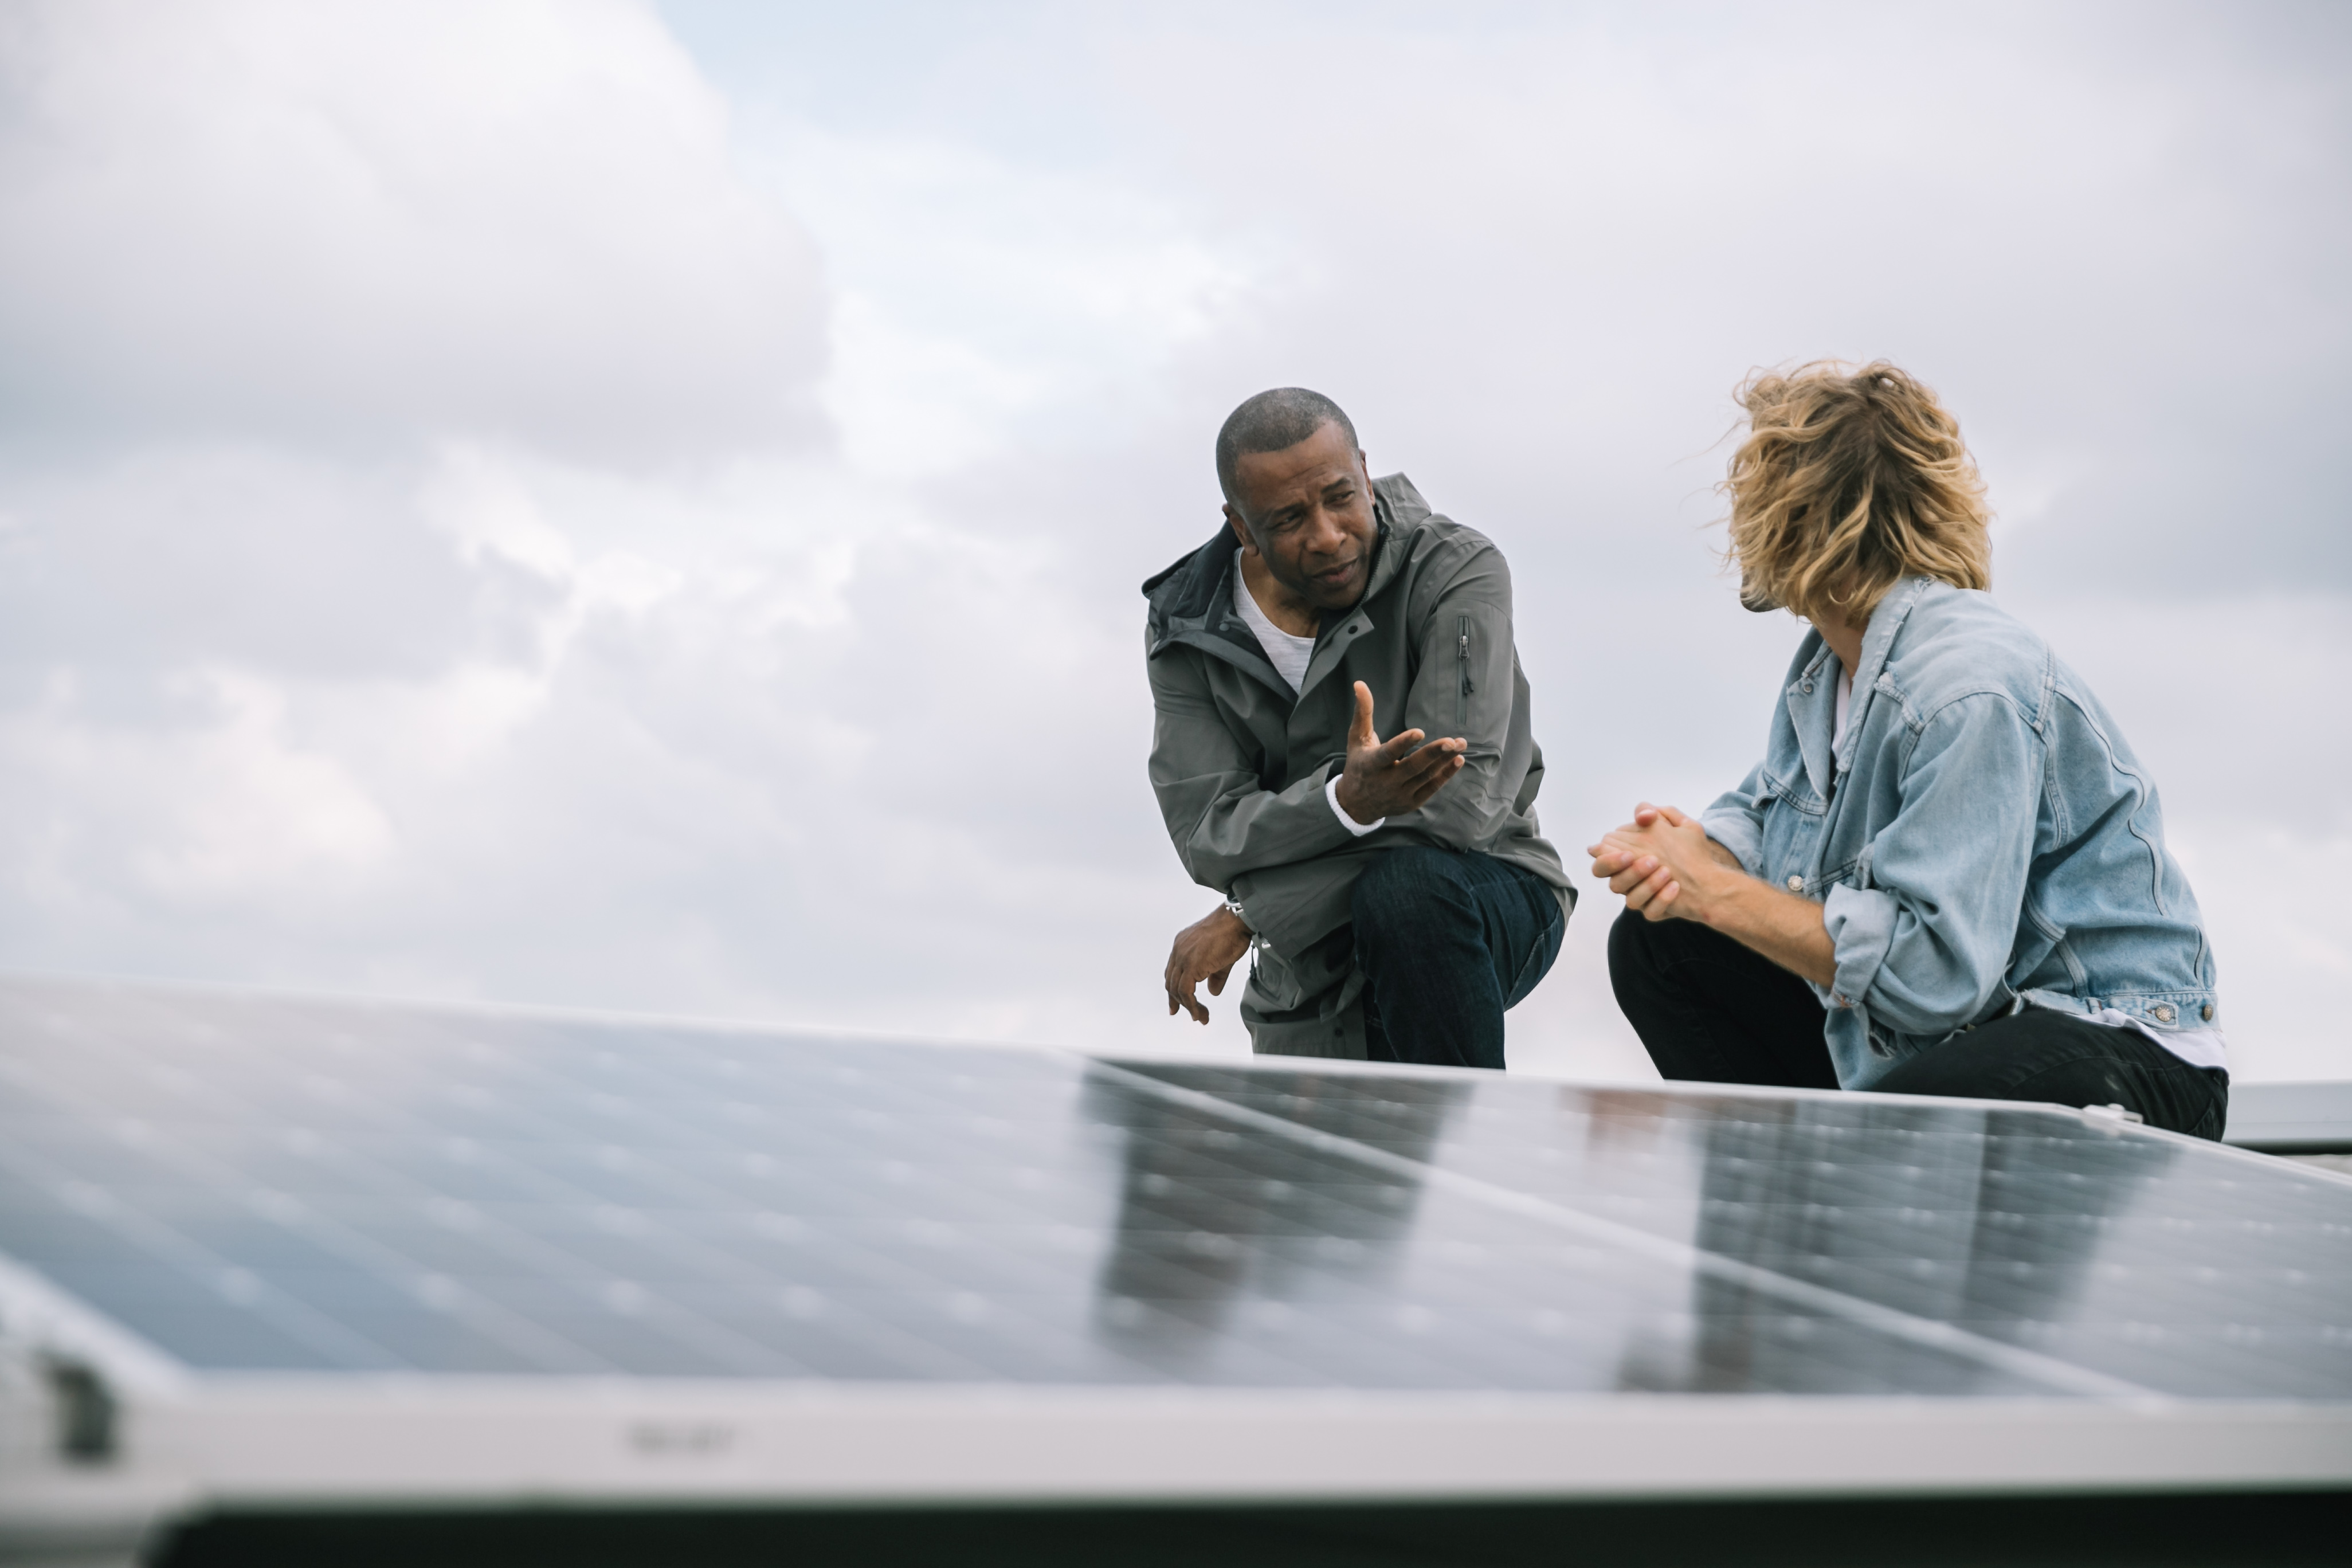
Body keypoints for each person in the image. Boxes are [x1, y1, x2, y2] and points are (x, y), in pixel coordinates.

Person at [1589, 361, 2226, 1137]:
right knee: (1664, 944)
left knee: (1923, 1111)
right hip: (1954, 1038)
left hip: (2116, 1040)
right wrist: (1685, 855)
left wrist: (1715, 891)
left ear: (1788, 518)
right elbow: (1764, 822)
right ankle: (1787, 1210)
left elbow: (1937, 975)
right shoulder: (1830, 676)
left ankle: (1845, 1190)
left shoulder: (1967, 687)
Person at [1144, 388, 1571, 1067]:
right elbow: (1209, 837)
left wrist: (1251, 914)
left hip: (1483, 884)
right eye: (1288, 518)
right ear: (1242, 528)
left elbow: (1460, 805)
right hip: (1305, 974)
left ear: (1366, 473)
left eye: (1341, 496)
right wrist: (1346, 802)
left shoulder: (1457, 569)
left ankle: (1470, 1146)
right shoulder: (1185, 628)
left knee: (1407, 895)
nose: (1328, 535)